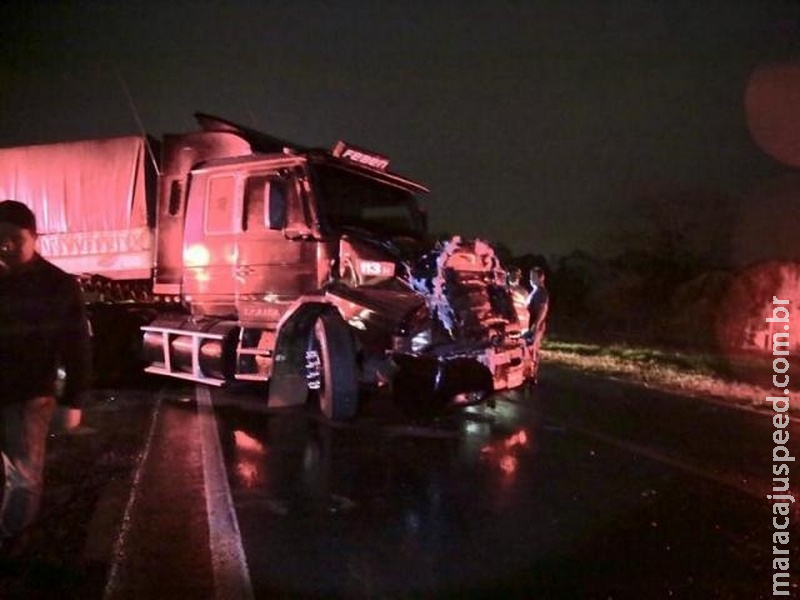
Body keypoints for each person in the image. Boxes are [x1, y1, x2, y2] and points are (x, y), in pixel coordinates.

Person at [0, 200, 92, 548]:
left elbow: (77, 347)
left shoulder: (58, 284)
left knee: (23, 473)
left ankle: (11, 540)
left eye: (13, 239)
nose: (4, 247)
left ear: (34, 237)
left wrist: (73, 399)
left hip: (28, 395)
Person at [525, 266, 549, 382]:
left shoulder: (541, 292)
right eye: (531, 277)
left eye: (534, 277)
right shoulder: (535, 291)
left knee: (533, 350)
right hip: (530, 325)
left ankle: (533, 375)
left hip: (536, 326)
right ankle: (528, 372)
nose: (531, 279)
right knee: (528, 349)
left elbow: (542, 309)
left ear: (541, 278)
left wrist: (536, 324)